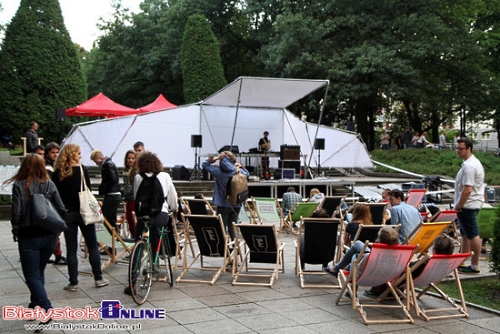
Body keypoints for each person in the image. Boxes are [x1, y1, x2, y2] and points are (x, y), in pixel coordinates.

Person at [4, 154, 65, 319]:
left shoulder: (20, 186)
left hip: (29, 235)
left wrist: (16, 232)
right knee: (38, 272)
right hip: (50, 235)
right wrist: (58, 228)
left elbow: (16, 213)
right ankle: (34, 307)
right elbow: (61, 208)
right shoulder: (50, 185)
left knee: (31, 275)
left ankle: (46, 308)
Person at [52, 143, 109, 291]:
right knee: (92, 245)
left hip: (67, 213)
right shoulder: (82, 170)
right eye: (78, 153)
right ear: (72, 154)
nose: (80, 156)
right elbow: (88, 189)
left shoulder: (58, 172)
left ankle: (73, 283)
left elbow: (54, 194)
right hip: (85, 212)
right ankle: (98, 278)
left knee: (71, 249)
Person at [125, 151, 178, 295]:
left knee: (138, 243)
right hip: (161, 214)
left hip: (143, 215)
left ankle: (132, 282)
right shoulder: (165, 176)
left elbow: (137, 197)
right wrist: (173, 208)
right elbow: (173, 199)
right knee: (159, 231)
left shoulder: (137, 177)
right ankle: (155, 259)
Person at [202, 151, 250, 241]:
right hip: (237, 203)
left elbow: (205, 165)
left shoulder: (219, 172)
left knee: (222, 227)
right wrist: (240, 166)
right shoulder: (239, 171)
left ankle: (225, 248)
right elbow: (248, 174)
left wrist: (215, 159)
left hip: (223, 203)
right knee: (233, 226)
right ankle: (236, 247)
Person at [454, 137, 484, 274]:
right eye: (457, 148)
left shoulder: (469, 166)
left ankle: (474, 265)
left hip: (468, 205)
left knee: (472, 234)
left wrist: (459, 205)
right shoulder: (471, 163)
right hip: (470, 204)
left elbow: (467, 189)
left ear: (468, 149)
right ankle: (463, 261)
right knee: (465, 234)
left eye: (460, 148)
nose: (457, 151)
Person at [323, 226, 399, 277]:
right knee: (357, 244)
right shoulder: (400, 253)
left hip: (370, 274)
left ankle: (350, 284)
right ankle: (336, 268)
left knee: (355, 255)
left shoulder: (374, 254)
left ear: (379, 239)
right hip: (389, 274)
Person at [43, 142, 67, 265]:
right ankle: (57, 254)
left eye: (57, 152)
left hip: (54, 202)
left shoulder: (55, 166)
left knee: (55, 230)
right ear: (47, 154)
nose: (55, 154)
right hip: (51, 203)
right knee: (55, 230)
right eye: (53, 152)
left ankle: (55, 254)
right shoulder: (47, 168)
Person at [90, 150, 121, 231]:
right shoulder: (109, 164)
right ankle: (114, 236)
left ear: (100, 158)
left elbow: (112, 180)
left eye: (95, 161)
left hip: (111, 194)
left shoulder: (107, 165)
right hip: (115, 193)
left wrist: (103, 188)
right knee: (112, 218)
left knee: (106, 217)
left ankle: (109, 236)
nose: (96, 163)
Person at [122, 150, 137, 238]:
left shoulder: (136, 171)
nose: (130, 160)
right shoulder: (126, 171)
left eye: (132, 158)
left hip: (133, 198)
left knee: (133, 220)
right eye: (129, 158)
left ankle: (136, 238)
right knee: (130, 221)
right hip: (128, 198)